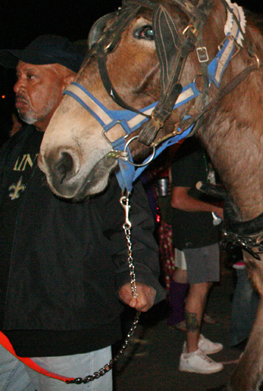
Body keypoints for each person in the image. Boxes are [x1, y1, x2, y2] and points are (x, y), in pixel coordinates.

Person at [0, 34, 164, 391]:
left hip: (69, 331)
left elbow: (127, 219)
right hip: (7, 334)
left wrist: (139, 276)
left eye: (31, 77)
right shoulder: (16, 145)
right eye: (18, 76)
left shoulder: (98, 145)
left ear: (69, 83)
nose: (18, 86)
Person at [168, 138, 226, 374]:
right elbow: (178, 199)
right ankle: (191, 353)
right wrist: (214, 209)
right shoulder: (189, 154)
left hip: (201, 230)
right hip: (196, 231)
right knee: (199, 287)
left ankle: (195, 337)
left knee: (193, 278)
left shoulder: (200, 152)